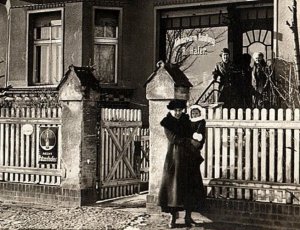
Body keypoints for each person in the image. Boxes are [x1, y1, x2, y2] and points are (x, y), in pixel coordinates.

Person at [158, 99, 206, 228]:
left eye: (180, 110)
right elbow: (174, 139)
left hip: (189, 158)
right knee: (174, 188)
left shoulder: (187, 119)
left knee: (190, 187)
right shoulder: (167, 123)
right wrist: (190, 141)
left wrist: (199, 137)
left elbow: (195, 131)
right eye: (175, 110)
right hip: (175, 158)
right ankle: (172, 219)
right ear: (170, 110)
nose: (178, 112)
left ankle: (188, 217)